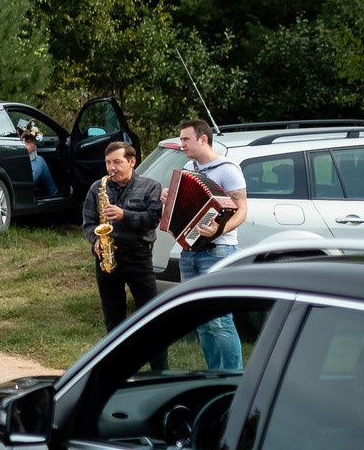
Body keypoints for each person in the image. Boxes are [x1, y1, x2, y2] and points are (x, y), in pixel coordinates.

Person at [176, 117, 249, 370]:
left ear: (203, 139)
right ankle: (213, 376)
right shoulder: (189, 167)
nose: (182, 144)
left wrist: (219, 229)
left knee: (220, 320)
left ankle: (233, 377)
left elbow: (242, 212)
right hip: (189, 251)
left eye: (186, 139)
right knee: (201, 321)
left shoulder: (228, 169)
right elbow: (184, 203)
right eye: (181, 139)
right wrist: (168, 196)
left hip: (219, 251)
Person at [84, 140, 163, 333]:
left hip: (138, 256)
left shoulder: (150, 186)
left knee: (151, 315)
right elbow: (89, 223)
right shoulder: (97, 188)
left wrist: (124, 215)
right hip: (106, 257)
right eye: (108, 162)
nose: (112, 168)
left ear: (132, 162)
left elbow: (152, 220)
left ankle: (156, 354)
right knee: (113, 317)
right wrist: (96, 241)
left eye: (117, 162)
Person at [17, 119, 60, 202]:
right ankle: (52, 195)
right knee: (40, 160)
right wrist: (30, 147)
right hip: (22, 175)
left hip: (18, 172)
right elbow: (20, 151)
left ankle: (52, 194)